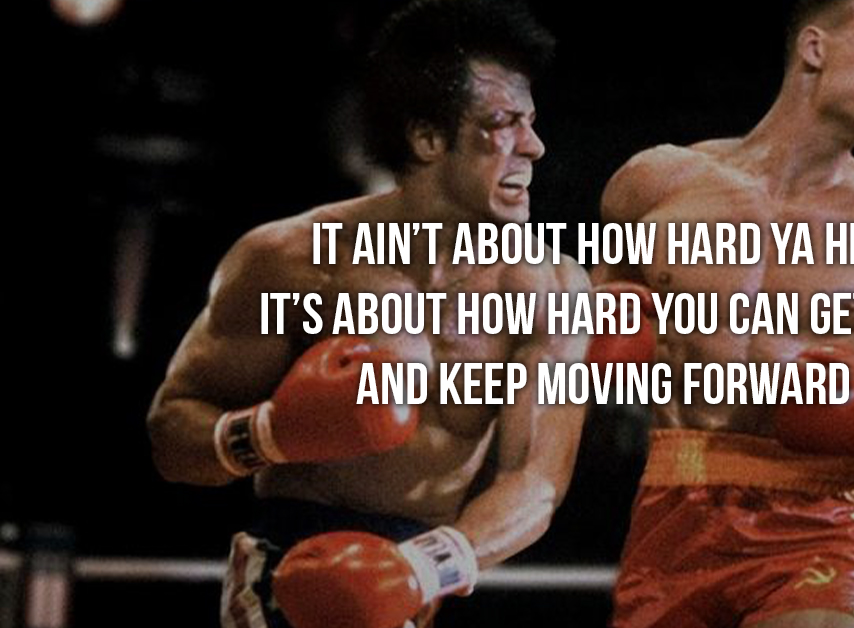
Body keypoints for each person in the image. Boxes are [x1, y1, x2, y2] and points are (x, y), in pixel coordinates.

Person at [145, 2, 590, 627]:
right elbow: (171, 437)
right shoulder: (293, 261)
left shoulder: (549, 288)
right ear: (427, 139)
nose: (535, 147)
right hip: (287, 564)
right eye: (503, 124)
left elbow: (534, 484)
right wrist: (272, 432)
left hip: (423, 579)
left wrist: (417, 571)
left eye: (531, 123)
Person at [593, 1, 854, 626]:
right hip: (668, 518)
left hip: (819, 526)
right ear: (814, 48)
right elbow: (593, 360)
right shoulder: (654, 186)